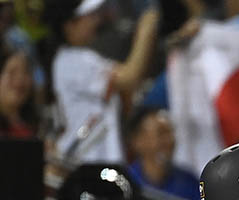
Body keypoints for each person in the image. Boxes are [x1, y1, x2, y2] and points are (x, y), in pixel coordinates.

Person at [46, 0, 158, 162]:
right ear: (69, 25)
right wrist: (146, 27)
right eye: (89, 16)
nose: (96, 20)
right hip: (85, 162)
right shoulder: (71, 61)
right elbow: (130, 76)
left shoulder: (80, 58)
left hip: (97, 161)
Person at [124, 105, 201, 200]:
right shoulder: (125, 183)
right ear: (137, 141)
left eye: (170, 132)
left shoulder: (189, 182)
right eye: (161, 133)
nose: (169, 140)